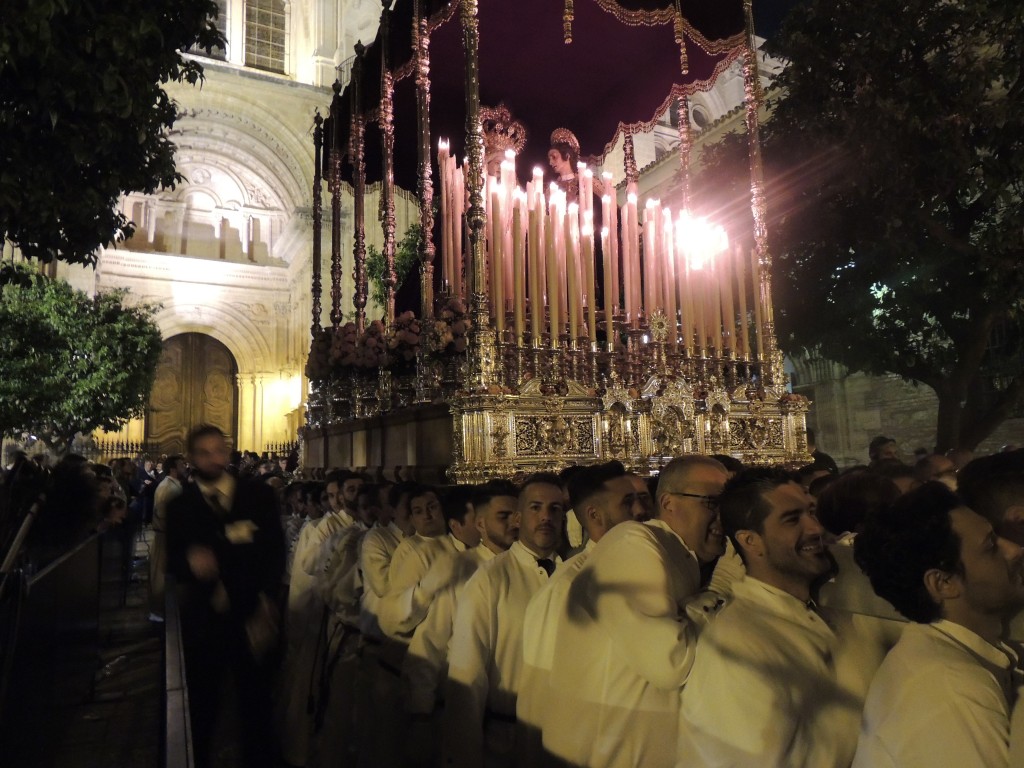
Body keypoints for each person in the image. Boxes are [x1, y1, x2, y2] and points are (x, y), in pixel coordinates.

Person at [544, 456, 729, 768]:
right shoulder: (634, 541)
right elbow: (669, 664)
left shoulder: (682, 557)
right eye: (713, 502)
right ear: (668, 503)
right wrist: (719, 593)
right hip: (610, 755)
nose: (724, 516)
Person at [680, 468, 870, 768]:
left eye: (811, 512)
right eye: (792, 519)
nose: (814, 528)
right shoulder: (738, 644)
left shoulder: (816, 612)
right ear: (750, 541)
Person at [852, 482, 1024, 767]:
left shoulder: (943, 656)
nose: (1015, 550)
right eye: (992, 546)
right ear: (943, 583)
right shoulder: (952, 690)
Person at [166, 424, 285, 768]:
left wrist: (267, 598)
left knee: (256, 702)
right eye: (203, 452)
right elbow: (171, 559)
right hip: (205, 622)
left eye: (218, 450)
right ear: (191, 458)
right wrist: (189, 561)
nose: (213, 458)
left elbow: (274, 552)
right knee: (203, 704)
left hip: (251, 617)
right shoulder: (180, 506)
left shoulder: (258, 497)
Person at [518, 462, 643, 766]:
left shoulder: (644, 568)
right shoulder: (567, 587)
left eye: (642, 499)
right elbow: (538, 699)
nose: (641, 511)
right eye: (628, 503)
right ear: (594, 516)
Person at [443, 473, 566, 768]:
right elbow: (467, 671)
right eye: (536, 508)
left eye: (555, 509)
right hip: (505, 740)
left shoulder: (573, 575)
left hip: (564, 738)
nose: (545, 517)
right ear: (519, 518)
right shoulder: (491, 579)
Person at [149, 454, 186, 622]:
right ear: (173, 468)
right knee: (161, 574)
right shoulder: (166, 487)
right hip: (165, 536)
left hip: (171, 536)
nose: (184, 467)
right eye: (181, 465)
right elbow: (162, 512)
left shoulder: (173, 485)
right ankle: (158, 610)